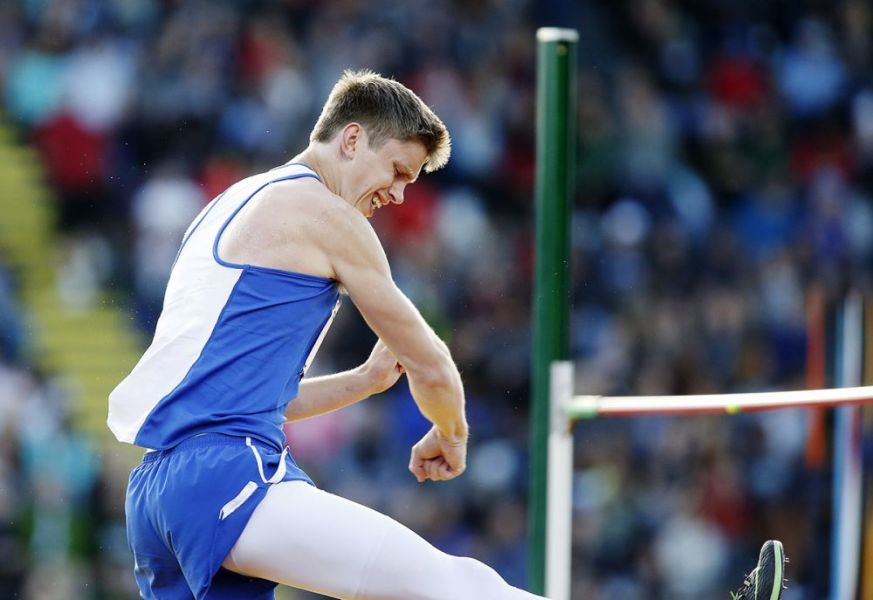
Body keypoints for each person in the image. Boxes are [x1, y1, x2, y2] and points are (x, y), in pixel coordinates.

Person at [108, 69, 787, 599]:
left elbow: (253, 399)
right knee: (450, 585)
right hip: (223, 472)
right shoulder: (321, 210)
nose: (399, 195)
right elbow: (429, 359)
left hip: (161, 492)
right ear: (350, 139)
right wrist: (450, 432)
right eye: (398, 170)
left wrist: (366, 381)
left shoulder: (230, 205)